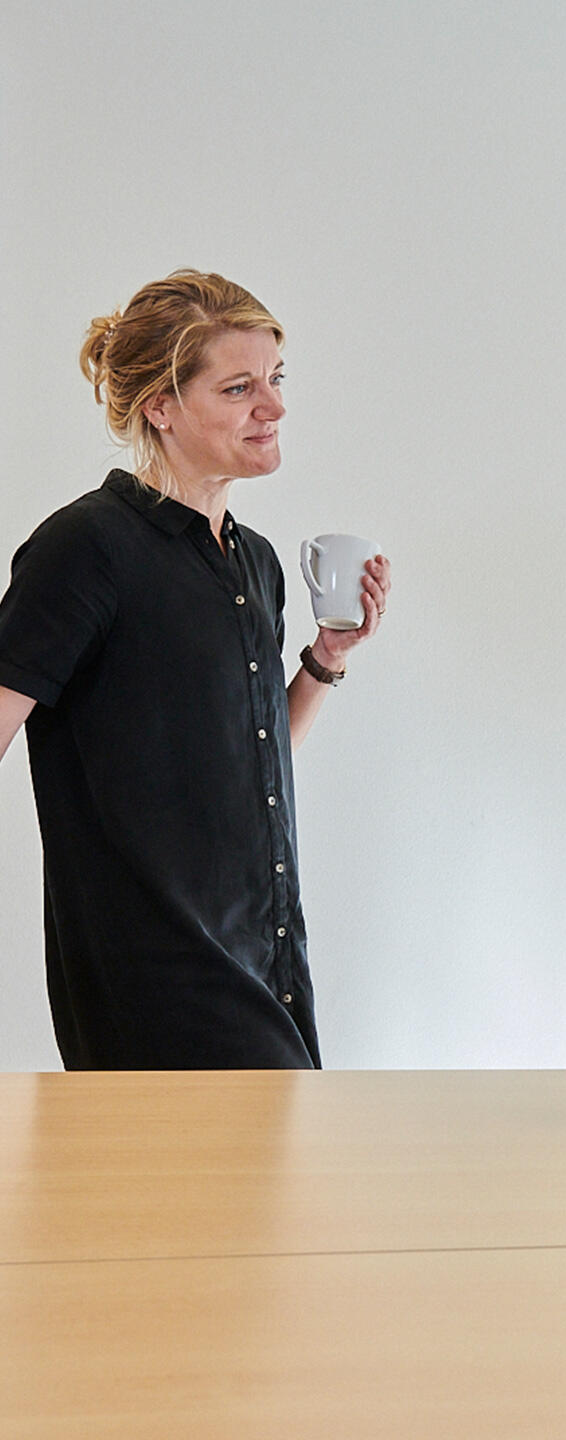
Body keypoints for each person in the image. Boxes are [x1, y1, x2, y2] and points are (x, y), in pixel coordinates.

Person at [0, 269, 390, 1069]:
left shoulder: (257, 563)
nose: (273, 407)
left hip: (269, 967)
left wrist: (323, 661)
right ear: (161, 407)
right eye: (239, 387)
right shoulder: (87, 549)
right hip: (155, 993)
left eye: (275, 380)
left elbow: (254, 754)